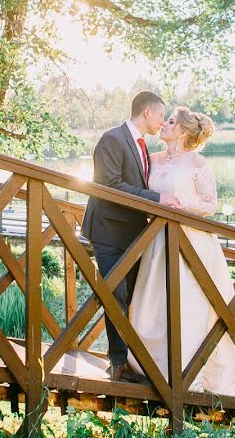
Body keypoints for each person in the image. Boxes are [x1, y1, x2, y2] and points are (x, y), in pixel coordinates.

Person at [127, 107, 235, 396]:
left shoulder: (197, 162)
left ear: (181, 130)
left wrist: (180, 207)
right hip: (157, 240)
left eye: (169, 122)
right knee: (154, 302)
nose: (164, 124)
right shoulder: (151, 159)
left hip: (191, 242)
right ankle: (153, 365)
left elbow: (209, 204)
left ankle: (189, 372)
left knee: (189, 304)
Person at [80, 91, 181, 383]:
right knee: (116, 295)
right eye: (162, 115)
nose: (163, 121)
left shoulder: (143, 147)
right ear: (147, 113)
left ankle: (133, 361)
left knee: (135, 296)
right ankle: (118, 364)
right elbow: (110, 185)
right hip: (109, 230)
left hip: (134, 234)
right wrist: (156, 198)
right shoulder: (112, 139)